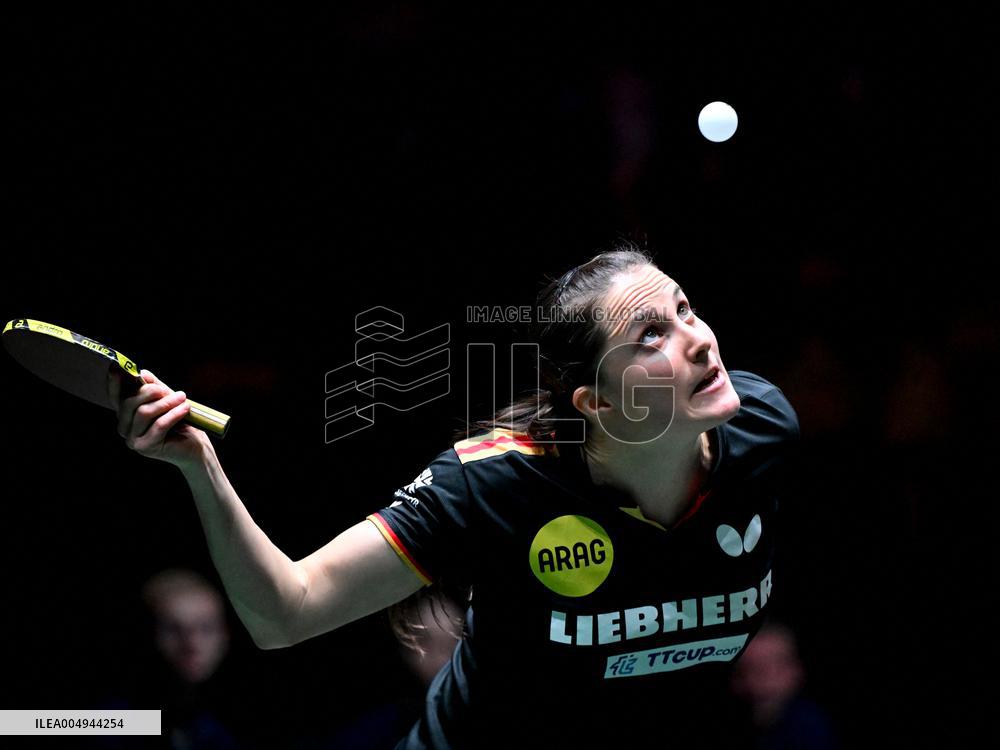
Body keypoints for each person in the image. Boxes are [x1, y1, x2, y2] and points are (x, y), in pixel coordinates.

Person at [109, 242, 800, 748]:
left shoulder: (762, 430)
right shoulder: (494, 483)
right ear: (598, 402)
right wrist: (199, 465)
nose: (702, 342)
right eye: (652, 334)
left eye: (685, 309)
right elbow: (285, 612)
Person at [730, 621, 838, 749]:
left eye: (775, 665)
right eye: (747, 669)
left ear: (797, 669)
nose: (762, 680)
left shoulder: (810, 727)